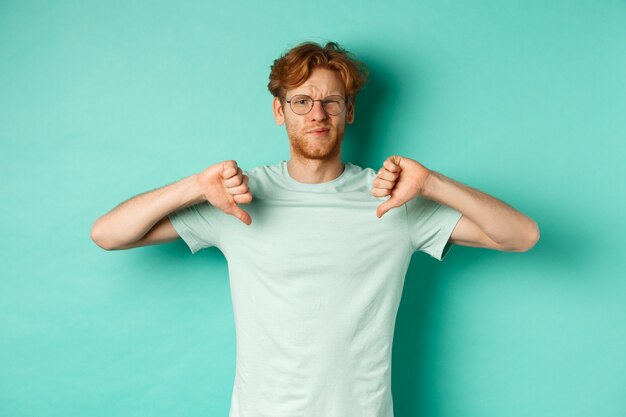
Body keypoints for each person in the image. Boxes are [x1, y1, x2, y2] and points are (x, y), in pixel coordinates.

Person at [91, 41, 539, 417]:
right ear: (279, 111)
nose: (316, 114)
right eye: (301, 101)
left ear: (349, 111)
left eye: (331, 101)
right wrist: (193, 186)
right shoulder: (237, 196)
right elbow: (109, 234)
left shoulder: (393, 198)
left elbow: (521, 236)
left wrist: (433, 183)